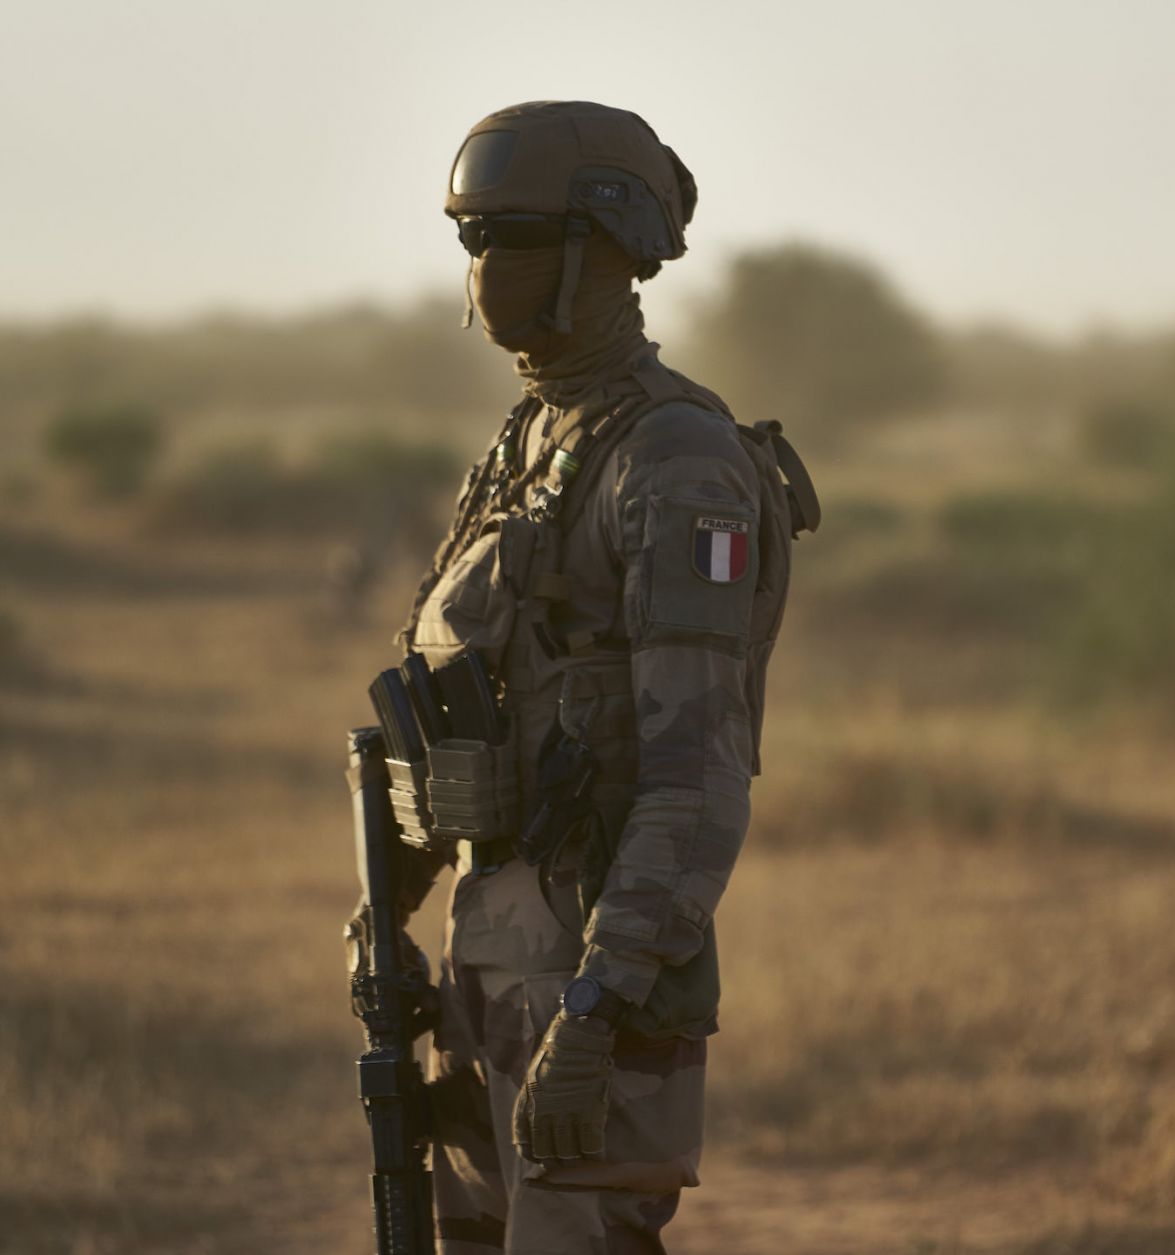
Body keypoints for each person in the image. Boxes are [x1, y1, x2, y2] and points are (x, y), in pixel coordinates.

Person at [348, 100, 817, 1254]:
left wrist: (598, 1011)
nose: (483, 269)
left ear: (600, 248)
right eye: (471, 239)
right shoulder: (527, 439)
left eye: (510, 237)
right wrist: (387, 907)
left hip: (590, 969)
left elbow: (695, 775)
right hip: (485, 957)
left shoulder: (677, 461)